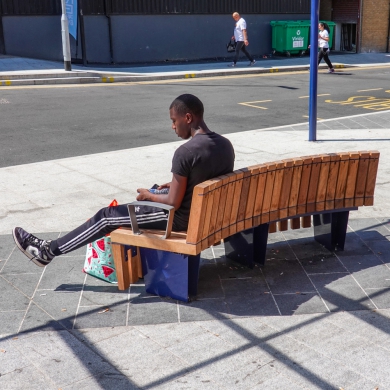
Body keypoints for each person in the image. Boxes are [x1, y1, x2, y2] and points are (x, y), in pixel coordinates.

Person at [13, 94, 235, 267]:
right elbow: (206, 177)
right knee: (136, 205)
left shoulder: (185, 151)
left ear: (188, 118)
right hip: (208, 216)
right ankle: (48, 250)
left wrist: (150, 195)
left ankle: (47, 252)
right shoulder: (225, 145)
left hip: (181, 220)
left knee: (106, 216)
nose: (173, 126)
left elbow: (173, 204)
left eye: (174, 121)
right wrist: (172, 186)